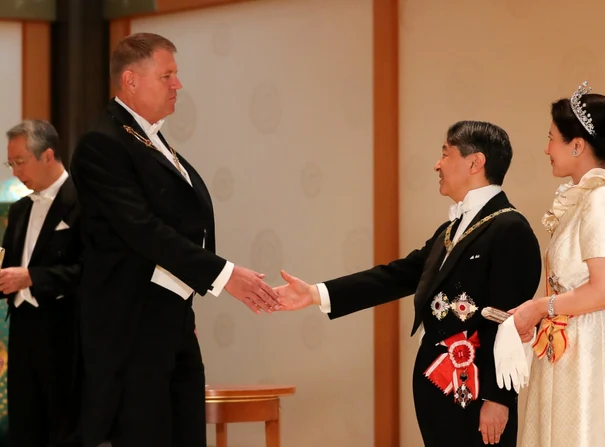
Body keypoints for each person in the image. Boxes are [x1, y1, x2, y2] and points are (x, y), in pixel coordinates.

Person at [69, 32, 280, 447]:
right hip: (131, 327)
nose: (177, 85)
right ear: (130, 80)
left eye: (176, 75)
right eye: (167, 75)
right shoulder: (102, 143)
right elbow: (142, 229)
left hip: (170, 319)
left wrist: (182, 302)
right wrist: (224, 275)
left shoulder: (148, 138)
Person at [275, 121, 542, 446]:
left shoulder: (510, 228)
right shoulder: (451, 228)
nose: (437, 164)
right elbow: (397, 275)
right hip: (435, 386)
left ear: (475, 162)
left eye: (445, 154)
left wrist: (498, 400)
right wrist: (316, 294)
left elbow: (510, 322)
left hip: (476, 396)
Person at [510, 82, 605, 446]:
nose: (547, 149)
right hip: (568, 341)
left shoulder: (602, 200)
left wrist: (538, 308)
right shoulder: (582, 200)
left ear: (577, 145)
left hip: (592, 345)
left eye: (552, 138)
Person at [0, 120, 82, 446]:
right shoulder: (19, 210)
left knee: (63, 429)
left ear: (48, 155)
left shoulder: (83, 202)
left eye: (21, 162)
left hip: (64, 332)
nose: (16, 171)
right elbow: (8, 270)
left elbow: (91, 272)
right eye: (11, 164)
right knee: (24, 426)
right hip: (21, 332)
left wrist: (33, 277)